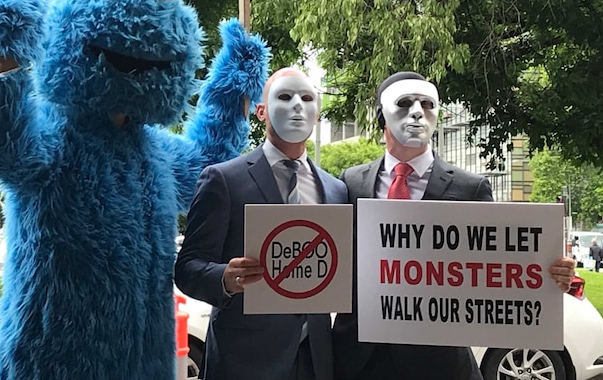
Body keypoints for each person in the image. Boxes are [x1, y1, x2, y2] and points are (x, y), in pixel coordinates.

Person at [332, 71, 577, 380]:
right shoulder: (350, 182)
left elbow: (497, 264)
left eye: (427, 104)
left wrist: (548, 271)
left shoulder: (470, 188)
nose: (418, 112)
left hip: (438, 361)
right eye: (405, 103)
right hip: (359, 356)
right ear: (382, 115)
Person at [175, 67, 347, 380]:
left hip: (315, 358)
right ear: (261, 111)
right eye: (284, 96)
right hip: (244, 359)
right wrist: (225, 278)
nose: (297, 105)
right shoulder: (223, 180)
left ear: (318, 113)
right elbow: (187, 268)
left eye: (307, 98)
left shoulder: (336, 189)